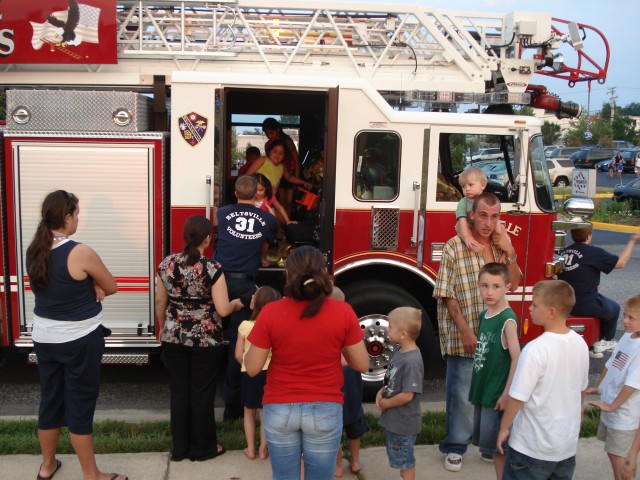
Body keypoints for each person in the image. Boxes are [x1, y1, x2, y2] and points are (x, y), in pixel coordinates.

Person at [245, 245, 369, 480]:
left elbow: (252, 368)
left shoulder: (270, 312)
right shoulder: (343, 312)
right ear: (324, 274)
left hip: (280, 407)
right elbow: (362, 364)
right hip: (325, 408)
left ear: (288, 276)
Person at [26, 190, 126, 480]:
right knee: (80, 406)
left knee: (50, 399)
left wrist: (91, 283)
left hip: (44, 337)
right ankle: (92, 474)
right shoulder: (79, 251)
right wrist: (95, 283)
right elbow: (112, 285)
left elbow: (54, 286)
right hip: (79, 340)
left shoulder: (35, 248)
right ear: (67, 217)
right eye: (77, 214)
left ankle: (47, 466)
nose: (78, 219)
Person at [433, 191, 521, 473]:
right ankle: (456, 445)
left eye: (494, 217)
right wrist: (467, 334)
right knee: (461, 391)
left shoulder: (499, 247)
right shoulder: (454, 246)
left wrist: (510, 252)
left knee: (491, 391)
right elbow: (447, 294)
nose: (488, 222)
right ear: (471, 214)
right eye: (483, 215)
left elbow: (515, 284)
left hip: (497, 339)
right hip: (465, 335)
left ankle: (487, 445)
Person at [156, 215, 243, 462]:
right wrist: (237, 304)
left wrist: (166, 326)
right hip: (206, 340)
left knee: (179, 392)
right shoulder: (212, 268)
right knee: (202, 393)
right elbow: (223, 309)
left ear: (185, 236)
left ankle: (180, 448)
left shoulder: (166, 264)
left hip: (174, 337)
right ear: (208, 238)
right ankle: (203, 448)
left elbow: (161, 301)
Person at [497, 280, 589, 480]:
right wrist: (579, 413)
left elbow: (518, 396)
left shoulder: (534, 349)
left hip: (531, 447)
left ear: (552, 312)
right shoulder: (580, 343)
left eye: (535, 305)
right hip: (565, 447)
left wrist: (504, 428)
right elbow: (581, 389)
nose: (530, 308)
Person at [214, 174, 279, 421]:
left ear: (235, 193)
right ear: (257, 194)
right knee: (237, 344)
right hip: (243, 286)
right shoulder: (267, 219)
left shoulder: (222, 214)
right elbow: (271, 241)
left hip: (218, 283)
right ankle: (233, 407)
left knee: (212, 342)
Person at [468, 262, 521, 479]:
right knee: (490, 448)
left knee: (500, 448)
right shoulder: (485, 315)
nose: (489, 292)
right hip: (483, 390)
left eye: (496, 286)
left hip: (496, 393)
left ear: (507, 287)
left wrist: (507, 393)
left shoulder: (507, 320)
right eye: (484, 286)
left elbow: (517, 357)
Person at [558, 226, 640, 359]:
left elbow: (559, 276)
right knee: (614, 308)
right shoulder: (593, 252)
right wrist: (632, 241)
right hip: (584, 302)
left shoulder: (564, 252)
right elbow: (620, 263)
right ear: (589, 235)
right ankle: (604, 341)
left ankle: (592, 346)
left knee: (601, 301)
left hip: (565, 302)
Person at [586, 294, 640, 480]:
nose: (624, 321)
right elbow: (611, 364)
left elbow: (631, 385)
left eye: (631, 318)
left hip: (624, 417)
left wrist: (612, 406)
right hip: (612, 410)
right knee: (612, 451)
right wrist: (598, 387)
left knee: (621, 462)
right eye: (624, 315)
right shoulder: (628, 336)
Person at [375, 307, 424, 480]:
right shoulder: (398, 351)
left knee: (405, 461)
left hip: (404, 423)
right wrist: (382, 392)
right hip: (395, 420)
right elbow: (392, 379)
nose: (387, 330)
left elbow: (407, 395)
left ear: (403, 334)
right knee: (401, 459)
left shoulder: (412, 361)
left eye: (390, 327)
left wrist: (387, 404)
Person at [235, 285, 282, 461]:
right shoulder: (274, 327)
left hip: (249, 374)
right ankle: (263, 449)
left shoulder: (244, 326)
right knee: (265, 413)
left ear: (257, 303)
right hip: (269, 374)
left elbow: (238, 355)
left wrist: (247, 365)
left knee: (249, 412)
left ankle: (250, 449)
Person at [331, 286, 368, 478]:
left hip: (337, 388)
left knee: (335, 430)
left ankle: (337, 467)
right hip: (353, 387)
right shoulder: (350, 325)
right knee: (355, 427)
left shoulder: (329, 328)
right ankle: (355, 462)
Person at [245, 140, 312, 206]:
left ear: (284, 156)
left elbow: (290, 178)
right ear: (269, 152)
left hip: (268, 200)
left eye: (281, 153)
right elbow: (246, 176)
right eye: (275, 151)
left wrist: (303, 182)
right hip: (254, 198)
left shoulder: (282, 167)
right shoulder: (262, 160)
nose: (277, 155)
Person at [261, 117, 301, 217]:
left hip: (290, 173)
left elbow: (296, 161)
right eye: (266, 134)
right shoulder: (268, 145)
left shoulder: (287, 141)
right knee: (279, 202)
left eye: (271, 133)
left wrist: (297, 179)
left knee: (289, 202)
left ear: (278, 130)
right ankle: (282, 225)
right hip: (277, 175)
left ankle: (288, 225)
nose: (269, 136)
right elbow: (269, 164)